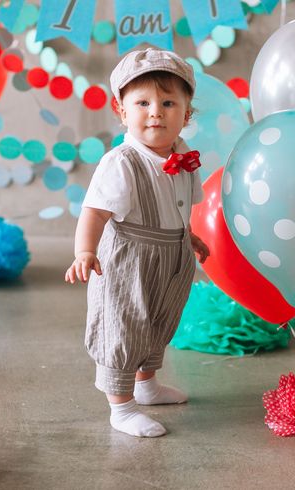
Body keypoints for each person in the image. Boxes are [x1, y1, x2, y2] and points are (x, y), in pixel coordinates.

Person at [65, 48, 210, 438]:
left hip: (172, 254)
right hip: (130, 259)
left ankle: (146, 386)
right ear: (122, 110)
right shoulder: (122, 162)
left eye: (168, 103)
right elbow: (94, 211)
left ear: (186, 113)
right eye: (142, 102)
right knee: (125, 326)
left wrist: (188, 235)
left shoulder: (184, 157)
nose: (156, 112)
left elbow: (176, 207)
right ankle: (121, 407)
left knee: (158, 322)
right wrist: (85, 251)